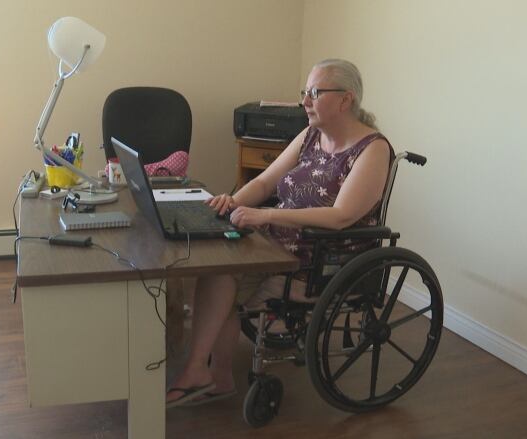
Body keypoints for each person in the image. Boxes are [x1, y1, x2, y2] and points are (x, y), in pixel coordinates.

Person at [166, 58, 395, 408]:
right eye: (305, 92)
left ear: (346, 100)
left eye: (315, 93)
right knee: (214, 269)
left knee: (224, 278)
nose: (305, 101)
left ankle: (204, 371)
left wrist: (268, 214)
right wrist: (233, 205)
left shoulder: (373, 149)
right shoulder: (310, 136)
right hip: (272, 245)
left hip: (319, 259)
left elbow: (340, 216)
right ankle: (211, 374)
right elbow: (263, 181)